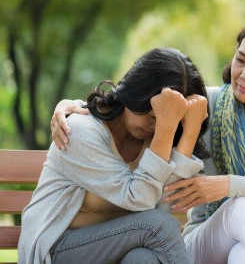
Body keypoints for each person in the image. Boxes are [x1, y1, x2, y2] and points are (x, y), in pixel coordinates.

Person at [51, 15, 245, 264]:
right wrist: (71, 105)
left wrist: (228, 185)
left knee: (243, 256)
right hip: (206, 238)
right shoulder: (204, 104)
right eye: (241, 60)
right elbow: (135, 99)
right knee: (243, 207)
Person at [22, 47, 210, 264]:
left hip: (118, 246)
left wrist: (189, 131)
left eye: (168, 120)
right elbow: (141, 201)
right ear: (135, 93)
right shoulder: (79, 130)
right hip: (57, 249)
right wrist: (167, 125)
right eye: (152, 116)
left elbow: (165, 203)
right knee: (160, 225)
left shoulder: (157, 138)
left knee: (143, 259)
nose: (155, 126)